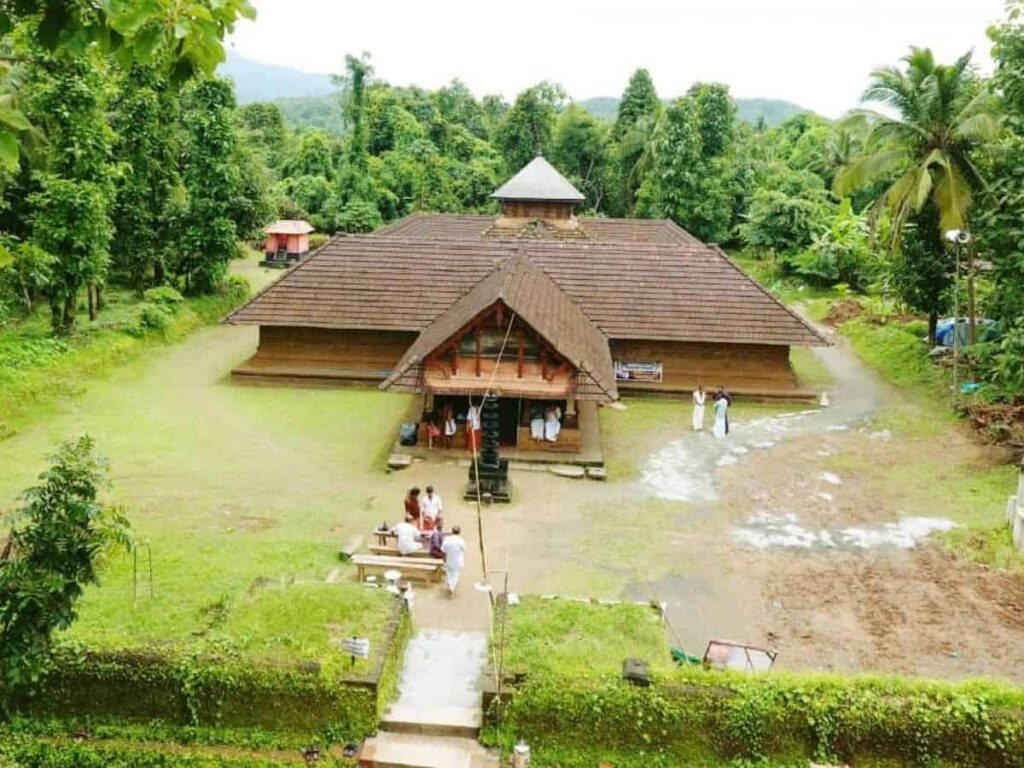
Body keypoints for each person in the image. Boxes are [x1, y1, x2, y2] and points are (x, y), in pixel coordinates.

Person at [441, 525, 466, 597]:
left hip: (449, 559)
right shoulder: (461, 541)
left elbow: (443, 550)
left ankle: (450, 583)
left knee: (449, 573)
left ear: (452, 531)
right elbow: (464, 549)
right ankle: (452, 589)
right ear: (459, 532)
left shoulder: (447, 540)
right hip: (457, 560)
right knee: (455, 575)